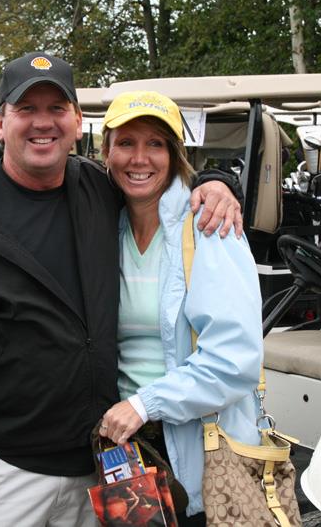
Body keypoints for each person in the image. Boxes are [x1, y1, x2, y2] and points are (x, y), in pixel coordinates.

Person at [0, 52, 243, 526]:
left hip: (100, 461)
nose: (43, 123)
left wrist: (217, 183)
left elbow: (154, 177)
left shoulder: (100, 192)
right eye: (26, 109)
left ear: (76, 122)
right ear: (0, 123)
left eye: (56, 108)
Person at [97, 91, 264, 526]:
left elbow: (235, 360)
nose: (140, 158)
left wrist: (145, 404)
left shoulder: (209, 226)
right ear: (107, 153)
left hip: (195, 452)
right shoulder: (103, 228)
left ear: (175, 155)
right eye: (126, 143)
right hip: (127, 447)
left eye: (155, 143)